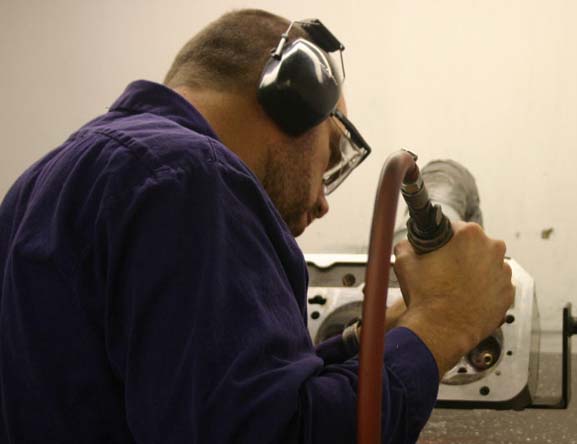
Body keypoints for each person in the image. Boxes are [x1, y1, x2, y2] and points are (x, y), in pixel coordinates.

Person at [0, 9, 513, 444]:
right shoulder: (188, 175)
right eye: (332, 155)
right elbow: (272, 434)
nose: (322, 203)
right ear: (294, 97)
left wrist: (368, 339)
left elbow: (222, 401)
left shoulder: (46, 182)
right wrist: (445, 322)